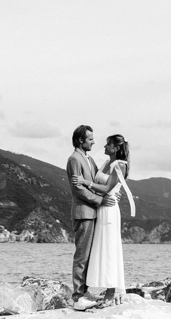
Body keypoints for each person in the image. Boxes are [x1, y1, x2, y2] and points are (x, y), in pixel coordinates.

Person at [71, 135, 135, 308]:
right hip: (101, 208)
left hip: (109, 208)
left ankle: (110, 293)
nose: (104, 146)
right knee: (102, 248)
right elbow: (103, 185)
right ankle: (101, 289)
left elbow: (108, 188)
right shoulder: (107, 163)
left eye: (108, 144)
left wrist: (85, 182)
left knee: (110, 248)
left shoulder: (120, 164)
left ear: (115, 147)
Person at [66, 125, 118, 311]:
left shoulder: (89, 159)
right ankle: (78, 297)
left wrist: (114, 191)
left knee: (88, 256)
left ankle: (85, 293)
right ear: (81, 140)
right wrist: (101, 200)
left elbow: (97, 181)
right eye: (90, 139)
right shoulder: (74, 159)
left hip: (93, 213)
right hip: (83, 213)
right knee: (81, 255)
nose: (94, 142)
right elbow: (77, 189)